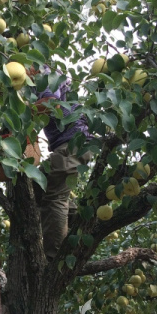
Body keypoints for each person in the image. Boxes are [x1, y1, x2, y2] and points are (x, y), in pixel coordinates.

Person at [33, 68, 96, 260]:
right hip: (74, 143)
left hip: (73, 143)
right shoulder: (48, 72)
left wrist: (21, 110)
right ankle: (82, 222)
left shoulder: (42, 74)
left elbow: (52, 104)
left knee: (55, 197)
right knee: (37, 185)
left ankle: (55, 257)